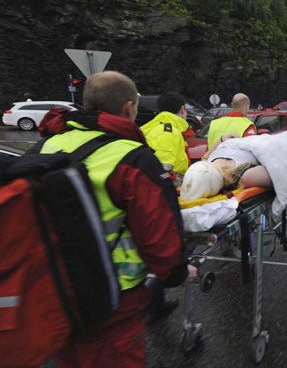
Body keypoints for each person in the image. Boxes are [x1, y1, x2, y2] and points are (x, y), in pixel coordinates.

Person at [37, 71, 196, 367]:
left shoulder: (48, 145)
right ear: (128, 108)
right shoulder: (131, 157)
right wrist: (177, 273)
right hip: (112, 297)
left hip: (54, 290)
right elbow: (158, 234)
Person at [139, 92, 194, 321]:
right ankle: (150, 300)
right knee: (170, 244)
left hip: (163, 188)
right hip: (167, 189)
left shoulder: (156, 127)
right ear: (181, 109)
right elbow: (162, 168)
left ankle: (156, 303)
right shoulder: (166, 130)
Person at [140, 92, 194, 186]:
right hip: (165, 191)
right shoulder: (168, 132)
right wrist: (175, 185)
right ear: (182, 109)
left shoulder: (163, 128)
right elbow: (161, 172)